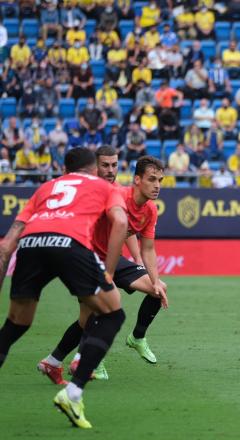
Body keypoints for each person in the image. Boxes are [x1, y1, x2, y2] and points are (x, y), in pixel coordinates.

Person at [0, 148, 128, 428]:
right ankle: (73, 392)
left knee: (16, 323)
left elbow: (6, 245)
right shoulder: (105, 185)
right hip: (70, 243)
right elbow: (120, 221)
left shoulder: (46, 188)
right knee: (112, 314)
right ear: (94, 168)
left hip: (31, 244)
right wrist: (108, 271)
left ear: (64, 170)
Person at [37, 149, 169, 385]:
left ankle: (137, 337)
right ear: (137, 180)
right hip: (87, 258)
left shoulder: (149, 209)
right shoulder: (114, 195)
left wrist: (152, 276)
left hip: (112, 258)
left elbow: (147, 247)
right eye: (152, 179)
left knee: (157, 289)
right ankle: (68, 360)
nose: (157, 185)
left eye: (160, 180)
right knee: (94, 313)